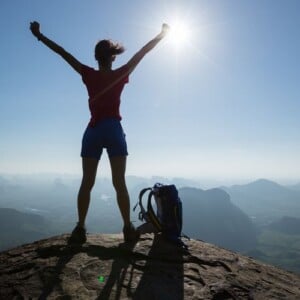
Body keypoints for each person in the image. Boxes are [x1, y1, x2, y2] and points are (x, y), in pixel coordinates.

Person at [29, 21, 169, 243]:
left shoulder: (88, 74)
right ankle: (127, 228)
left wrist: (39, 35)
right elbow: (143, 52)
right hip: (113, 129)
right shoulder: (122, 73)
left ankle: (80, 228)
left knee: (87, 182)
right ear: (113, 57)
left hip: (93, 130)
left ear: (96, 57)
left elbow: (63, 53)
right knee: (119, 183)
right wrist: (162, 35)